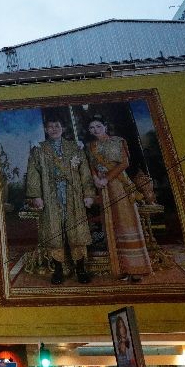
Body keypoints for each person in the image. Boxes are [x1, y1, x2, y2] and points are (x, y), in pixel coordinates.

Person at [26, 116, 96, 285]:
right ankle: (58, 270)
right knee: (54, 232)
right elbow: (33, 173)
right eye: (50, 126)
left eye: (57, 125)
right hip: (50, 197)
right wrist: (36, 196)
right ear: (46, 130)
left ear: (63, 128)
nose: (54, 129)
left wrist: (88, 194)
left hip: (73, 195)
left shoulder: (75, 147)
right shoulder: (39, 149)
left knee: (77, 231)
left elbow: (85, 172)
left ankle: (80, 269)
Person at [86, 116, 152, 282]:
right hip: (103, 188)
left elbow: (124, 163)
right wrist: (96, 179)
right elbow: (92, 166)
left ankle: (136, 269)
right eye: (91, 128)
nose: (95, 130)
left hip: (119, 185)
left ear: (105, 126)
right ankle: (121, 268)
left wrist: (106, 178)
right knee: (112, 225)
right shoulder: (90, 146)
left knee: (126, 222)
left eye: (98, 126)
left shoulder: (118, 141)